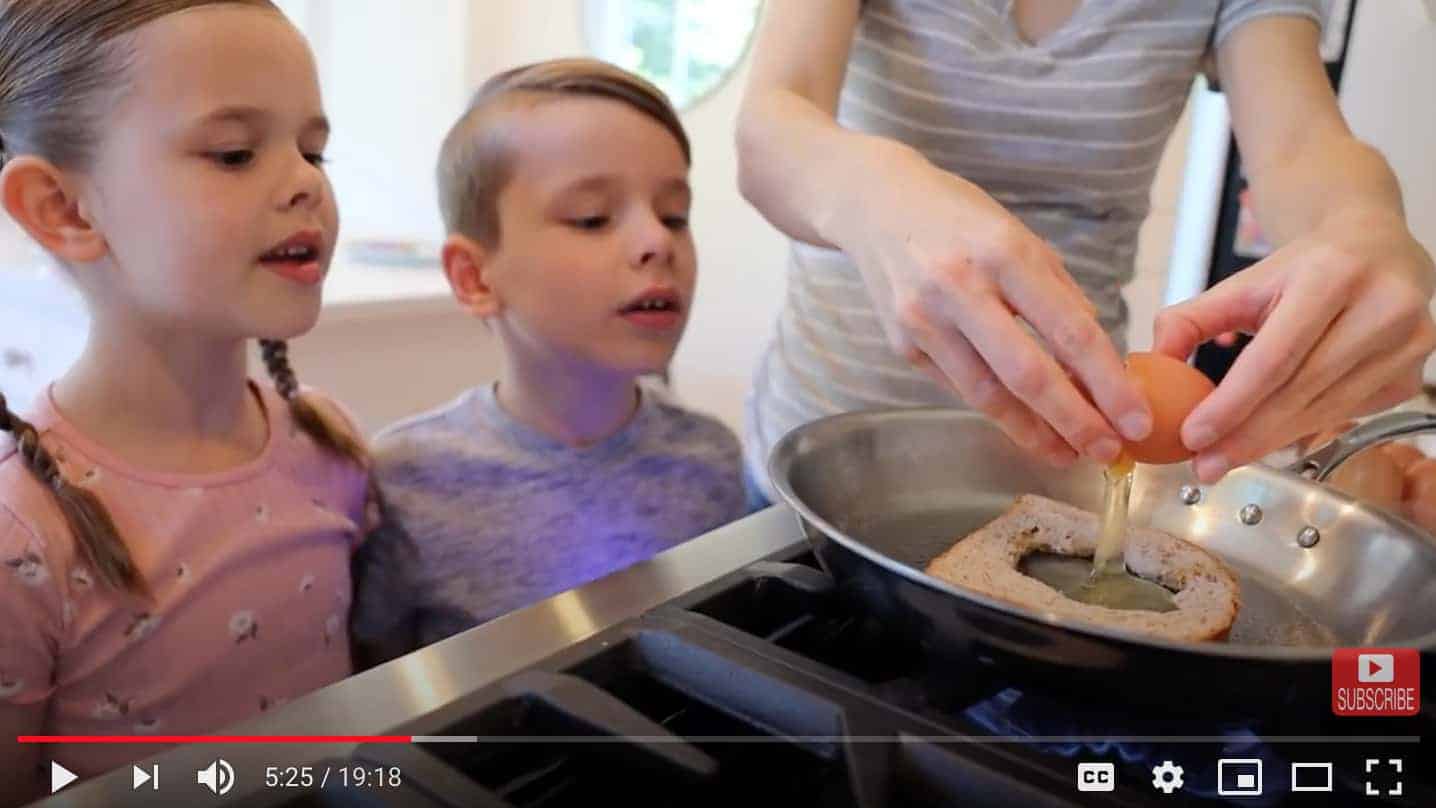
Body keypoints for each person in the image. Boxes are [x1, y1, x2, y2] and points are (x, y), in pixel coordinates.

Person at [736, 0, 1436, 506]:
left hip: (1054, 469)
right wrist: (876, 193)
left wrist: (1362, 226)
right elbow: (771, 126)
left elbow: (1301, 146)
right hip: (817, 455)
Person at [0, 2, 376, 802]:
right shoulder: (25, 533)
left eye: (314, 150)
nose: (307, 182)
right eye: (235, 153)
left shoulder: (328, 446)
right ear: (64, 209)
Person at [349, 59, 746, 665]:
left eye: (674, 215)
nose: (657, 242)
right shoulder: (406, 482)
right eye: (592, 217)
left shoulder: (713, 460)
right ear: (475, 276)